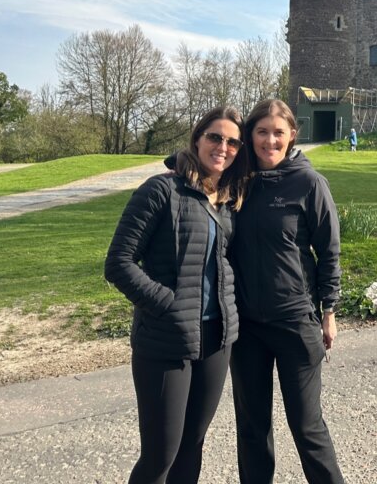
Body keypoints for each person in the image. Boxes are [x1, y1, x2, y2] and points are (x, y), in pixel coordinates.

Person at [105, 107, 246, 484]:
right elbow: (118, 263)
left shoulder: (230, 200)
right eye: (215, 137)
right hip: (166, 342)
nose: (223, 147)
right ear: (197, 138)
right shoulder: (161, 190)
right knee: (160, 456)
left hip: (216, 340)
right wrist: (168, 305)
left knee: (192, 446)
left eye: (232, 141)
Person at [231, 98, 345, 484]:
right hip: (246, 327)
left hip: (295, 321)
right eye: (261, 131)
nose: (270, 140)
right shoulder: (236, 180)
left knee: (307, 427)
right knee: (251, 428)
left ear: (292, 135)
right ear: (250, 135)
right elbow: (191, 168)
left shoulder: (308, 182)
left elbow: (329, 250)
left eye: (278, 132)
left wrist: (328, 312)